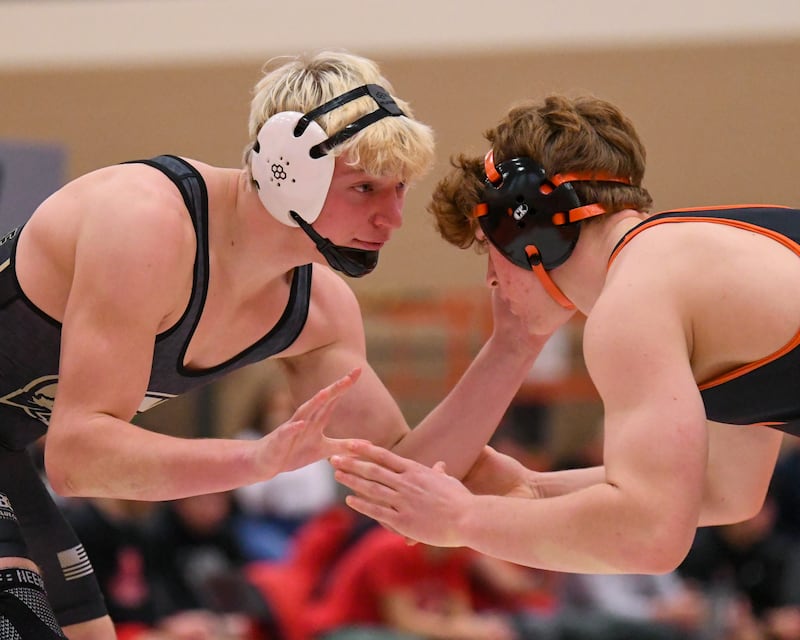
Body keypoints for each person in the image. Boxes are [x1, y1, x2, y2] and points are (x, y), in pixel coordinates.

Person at [0, 50, 547, 639]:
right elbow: (79, 459)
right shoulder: (145, 223)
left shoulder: (317, 311)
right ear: (287, 167)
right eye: (365, 188)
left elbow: (403, 473)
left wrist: (514, 343)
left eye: (399, 190)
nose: (392, 219)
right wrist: (256, 460)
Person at [331, 93, 800, 576]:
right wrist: (534, 491)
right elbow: (722, 488)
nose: (491, 279)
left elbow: (649, 535)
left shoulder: (634, 301)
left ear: (528, 230)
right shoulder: (700, 253)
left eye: (489, 249)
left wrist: (465, 520)